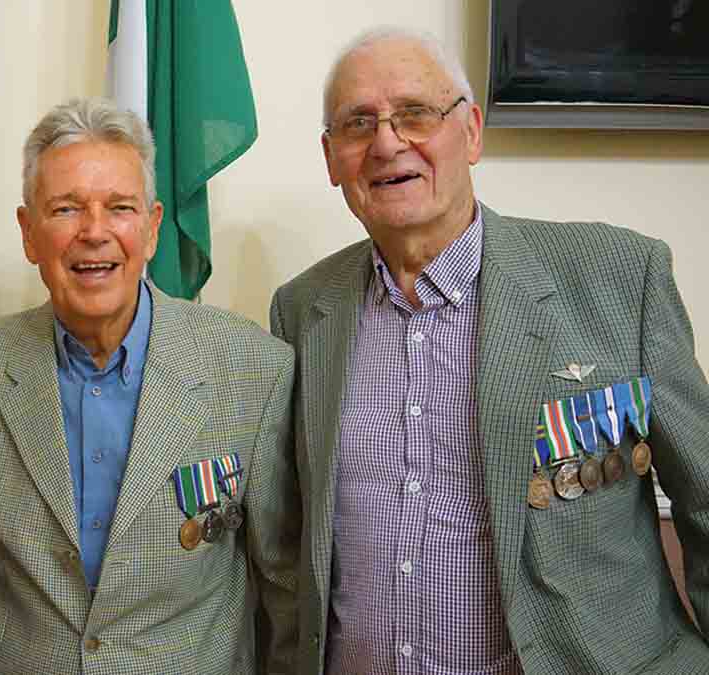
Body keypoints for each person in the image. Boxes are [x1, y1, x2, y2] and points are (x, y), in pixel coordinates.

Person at [270, 28, 709, 674]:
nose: (387, 143)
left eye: (415, 113)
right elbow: (288, 543)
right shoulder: (302, 311)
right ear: (332, 158)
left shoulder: (618, 277)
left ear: (471, 132)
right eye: (358, 123)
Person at [0, 97, 299, 673]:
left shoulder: (253, 369)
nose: (94, 233)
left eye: (119, 208)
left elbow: (287, 595)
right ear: (28, 233)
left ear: (152, 228)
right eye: (66, 209)